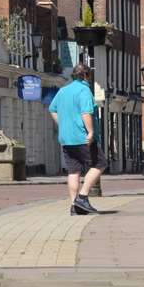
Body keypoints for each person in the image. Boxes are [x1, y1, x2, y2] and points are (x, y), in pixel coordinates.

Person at [52, 63, 105, 215]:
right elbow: (86, 113)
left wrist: (63, 124)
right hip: (82, 138)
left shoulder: (63, 91)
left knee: (73, 171)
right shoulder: (84, 90)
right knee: (100, 163)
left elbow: (53, 109)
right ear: (87, 76)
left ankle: (74, 206)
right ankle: (82, 197)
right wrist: (90, 132)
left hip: (66, 138)